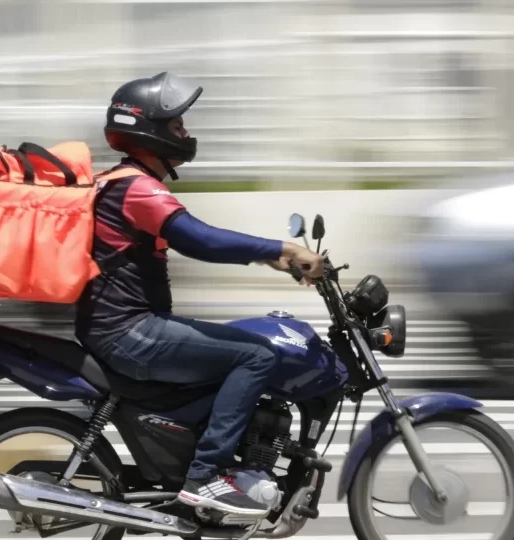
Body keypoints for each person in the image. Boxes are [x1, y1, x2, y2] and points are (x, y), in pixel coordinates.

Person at [74, 72, 325, 517]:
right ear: (148, 129)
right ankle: (206, 477)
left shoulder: (122, 181)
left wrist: (269, 258)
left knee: (233, 351)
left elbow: (202, 240)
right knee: (256, 356)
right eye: (177, 126)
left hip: (122, 327)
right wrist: (281, 248)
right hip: (129, 332)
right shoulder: (138, 188)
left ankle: (204, 457)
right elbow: (201, 240)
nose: (186, 134)